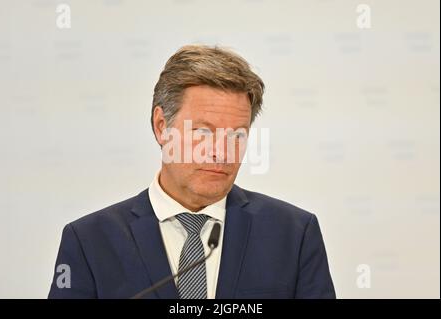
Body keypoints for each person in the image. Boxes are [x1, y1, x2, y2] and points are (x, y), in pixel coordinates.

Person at [48, 45, 335, 299]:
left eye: (236, 135)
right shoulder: (90, 241)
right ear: (162, 126)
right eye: (202, 131)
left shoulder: (293, 234)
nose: (221, 152)